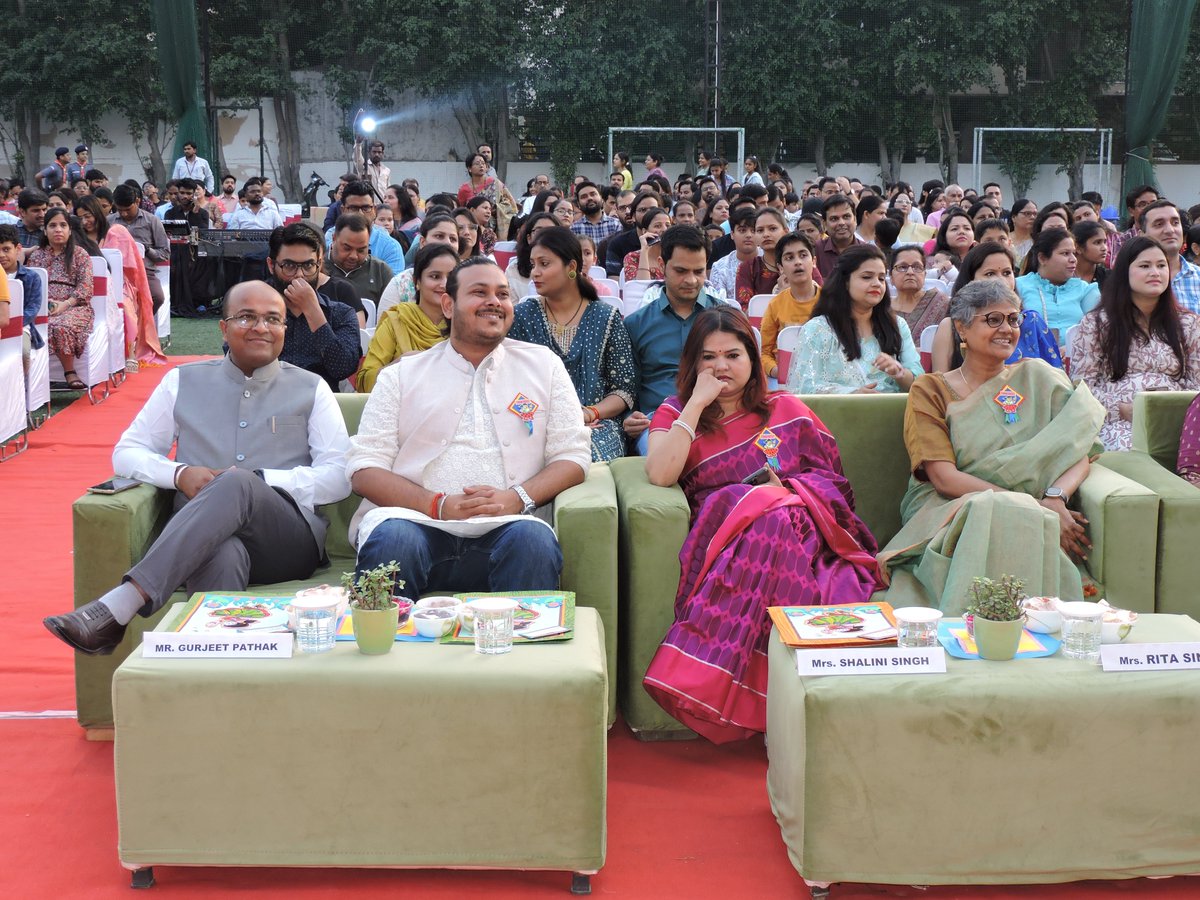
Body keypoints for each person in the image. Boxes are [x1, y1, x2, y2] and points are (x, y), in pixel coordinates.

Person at [43, 280, 352, 655]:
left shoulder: (312, 387)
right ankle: (213, 683)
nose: (261, 327)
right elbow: (127, 452)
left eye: (274, 319)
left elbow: (338, 476)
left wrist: (262, 480)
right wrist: (179, 474)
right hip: (203, 541)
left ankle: (123, 603)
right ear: (223, 328)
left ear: (286, 329)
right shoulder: (182, 380)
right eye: (246, 317)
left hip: (286, 542)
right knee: (223, 553)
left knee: (239, 483)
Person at [642, 305, 879, 743]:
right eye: (708, 357)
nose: (720, 367)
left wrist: (785, 489)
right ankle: (793, 703)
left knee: (773, 509)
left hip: (801, 530)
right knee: (758, 506)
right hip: (725, 538)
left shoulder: (785, 408)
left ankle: (739, 687)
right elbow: (660, 473)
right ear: (692, 364)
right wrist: (695, 405)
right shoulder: (675, 411)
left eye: (732, 355)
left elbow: (834, 487)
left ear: (752, 360)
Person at [345, 257, 591, 596]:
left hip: (508, 526)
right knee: (394, 541)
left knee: (533, 542)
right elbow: (364, 468)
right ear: (448, 304)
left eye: (503, 294)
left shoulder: (543, 366)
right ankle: (383, 646)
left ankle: (530, 650)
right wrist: (437, 505)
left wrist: (516, 499)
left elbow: (573, 456)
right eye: (479, 292)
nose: (495, 301)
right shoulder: (402, 375)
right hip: (413, 522)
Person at [877, 279, 1103, 614]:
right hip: (948, 505)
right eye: (992, 320)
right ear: (961, 329)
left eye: (1013, 320)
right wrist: (1031, 505)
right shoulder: (931, 389)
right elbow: (943, 479)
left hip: (1037, 502)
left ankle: (1025, 630)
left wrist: (1055, 497)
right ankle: (980, 628)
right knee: (997, 511)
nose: (1007, 329)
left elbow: (1081, 450)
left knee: (1007, 511)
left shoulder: (1040, 377)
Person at [509, 227, 636, 462]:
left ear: (571, 267)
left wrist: (588, 413)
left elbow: (624, 390)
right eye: (533, 264)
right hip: (534, 422)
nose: (535, 272)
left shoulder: (606, 317)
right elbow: (507, 380)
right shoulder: (522, 316)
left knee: (586, 459)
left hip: (597, 424)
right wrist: (543, 420)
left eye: (544, 264)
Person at [1073, 236, 1200, 451]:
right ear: (1124, 272)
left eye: (1161, 265)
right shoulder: (1098, 323)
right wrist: (1122, 410)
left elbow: (1196, 383)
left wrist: (1177, 415)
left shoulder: (1188, 323)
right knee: (1133, 450)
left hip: (1179, 421)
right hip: (1117, 421)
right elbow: (1081, 387)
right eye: (1144, 265)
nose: (1155, 272)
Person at [624, 225, 724, 453]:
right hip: (657, 422)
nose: (691, 280)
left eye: (699, 272)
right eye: (681, 271)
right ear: (661, 265)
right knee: (664, 460)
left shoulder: (726, 319)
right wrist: (629, 418)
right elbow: (626, 386)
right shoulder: (636, 324)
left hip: (717, 417)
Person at [789, 244, 922, 394]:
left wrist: (899, 373)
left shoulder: (898, 326)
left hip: (894, 414)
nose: (877, 283)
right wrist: (852, 395)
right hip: (837, 416)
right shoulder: (818, 329)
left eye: (881, 278)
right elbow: (804, 388)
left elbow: (919, 386)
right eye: (867, 277)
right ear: (845, 282)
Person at [931, 241, 1063, 373]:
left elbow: (1056, 382)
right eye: (990, 274)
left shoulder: (1031, 320)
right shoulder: (952, 326)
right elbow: (940, 385)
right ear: (970, 280)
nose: (1001, 280)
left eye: (1006, 273)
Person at [74, 196, 166, 370]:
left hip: (119, 284)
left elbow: (126, 269)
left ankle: (130, 355)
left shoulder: (115, 232)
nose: (84, 222)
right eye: (80, 218)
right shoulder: (75, 238)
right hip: (84, 286)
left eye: (88, 216)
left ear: (97, 213)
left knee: (124, 305)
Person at [267, 222, 361, 391]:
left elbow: (343, 369)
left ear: (319, 264)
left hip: (320, 404)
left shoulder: (341, 313)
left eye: (308, 265)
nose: (299, 275)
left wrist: (312, 309)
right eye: (289, 266)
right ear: (271, 265)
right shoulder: (257, 310)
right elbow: (239, 364)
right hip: (266, 401)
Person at [358, 243, 458, 392]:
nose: (444, 284)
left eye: (451, 277)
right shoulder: (397, 320)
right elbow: (365, 382)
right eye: (435, 276)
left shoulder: (464, 324)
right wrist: (399, 366)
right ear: (417, 282)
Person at [28, 208, 94, 390]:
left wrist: (64, 304)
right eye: (53, 225)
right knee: (32, 326)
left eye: (63, 225)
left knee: (59, 326)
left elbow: (86, 287)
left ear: (70, 230)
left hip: (75, 306)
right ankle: (33, 380)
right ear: (45, 230)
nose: (58, 230)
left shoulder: (80, 254)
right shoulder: (37, 256)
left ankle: (69, 371)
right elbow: (31, 286)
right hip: (43, 306)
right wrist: (46, 305)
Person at [1015, 228, 1101, 338]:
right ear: (1042, 258)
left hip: (1076, 353)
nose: (1073, 259)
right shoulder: (1019, 286)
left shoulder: (1085, 290)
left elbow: (1097, 329)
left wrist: (1071, 346)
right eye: (1065, 253)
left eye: (1074, 253)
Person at [760, 232, 821, 380]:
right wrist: (777, 371)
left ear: (813, 261)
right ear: (781, 268)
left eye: (803, 255)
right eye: (789, 258)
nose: (798, 262)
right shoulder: (775, 305)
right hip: (783, 380)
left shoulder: (831, 301)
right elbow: (764, 352)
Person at [378, 213, 462, 314]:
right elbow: (385, 324)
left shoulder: (465, 281)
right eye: (439, 236)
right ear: (422, 242)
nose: (447, 243)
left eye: (453, 239)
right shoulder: (401, 284)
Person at [323, 181, 405, 275]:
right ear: (343, 210)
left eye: (366, 208)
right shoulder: (329, 238)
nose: (360, 214)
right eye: (354, 208)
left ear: (374, 210)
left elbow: (394, 287)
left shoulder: (390, 247)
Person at [1139, 200, 1200, 313]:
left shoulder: (1198, 276)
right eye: (1159, 224)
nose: (1170, 230)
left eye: (1175, 223)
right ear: (1142, 234)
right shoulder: (1132, 279)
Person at [324, 213, 393, 310]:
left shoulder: (381, 272)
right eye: (347, 248)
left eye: (361, 250)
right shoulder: (317, 267)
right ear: (334, 238)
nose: (354, 256)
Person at [0, 224, 45, 361]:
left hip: (22, 326)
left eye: (6, 249)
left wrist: (13, 324)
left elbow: (32, 309)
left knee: (24, 353)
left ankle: (23, 382)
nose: (1, 255)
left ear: (18, 249)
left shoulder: (31, 277)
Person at [889, 246, 949, 337]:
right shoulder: (882, 309)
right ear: (891, 277)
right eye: (902, 267)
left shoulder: (940, 302)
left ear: (924, 275)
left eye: (917, 267)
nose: (910, 272)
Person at [736, 207, 788, 310]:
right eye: (760, 230)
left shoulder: (801, 263)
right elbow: (745, 312)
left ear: (786, 232)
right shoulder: (748, 268)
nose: (766, 234)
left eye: (772, 228)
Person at [708, 206, 759, 299]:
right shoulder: (720, 267)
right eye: (742, 230)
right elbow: (718, 304)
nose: (748, 235)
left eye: (754, 230)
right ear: (732, 234)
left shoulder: (770, 260)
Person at [506, 212, 554, 300]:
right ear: (529, 238)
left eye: (551, 231)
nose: (544, 236)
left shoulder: (567, 265)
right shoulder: (513, 270)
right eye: (539, 231)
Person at [815, 194, 864, 279]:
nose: (841, 223)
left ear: (855, 220)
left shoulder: (867, 251)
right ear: (825, 224)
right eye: (834, 219)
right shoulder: (816, 250)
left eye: (846, 217)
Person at [623, 207, 672, 282]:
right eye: (657, 226)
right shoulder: (633, 257)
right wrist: (644, 250)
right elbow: (640, 287)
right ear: (645, 232)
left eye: (668, 225)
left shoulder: (674, 255)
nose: (664, 229)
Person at [1073, 220, 1109, 289]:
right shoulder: (1062, 277)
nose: (1104, 248)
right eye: (1097, 242)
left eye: (1104, 242)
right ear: (1078, 248)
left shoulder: (1109, 278)